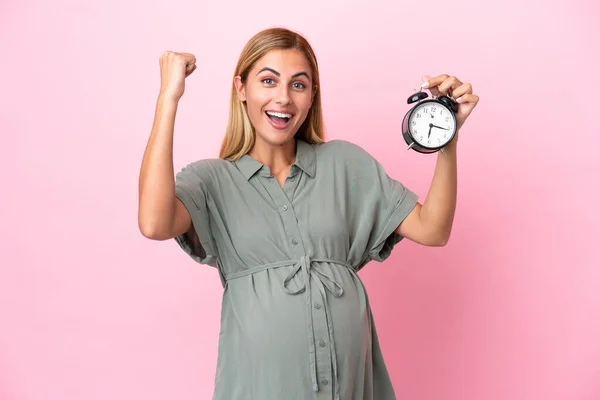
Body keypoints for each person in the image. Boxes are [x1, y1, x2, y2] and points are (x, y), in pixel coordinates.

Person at [138, 27, 479, 400]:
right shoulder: (212, 180)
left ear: (312, 94)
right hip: (260, 385)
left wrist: (448, 136)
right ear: (241, 89)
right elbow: (154, 223)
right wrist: (168, 98)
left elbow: (433, 230)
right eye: (268, 81)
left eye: (298, 85)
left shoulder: (344, 164)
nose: (283, 98)